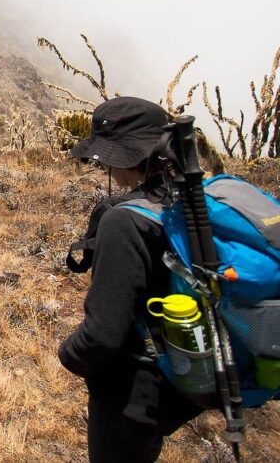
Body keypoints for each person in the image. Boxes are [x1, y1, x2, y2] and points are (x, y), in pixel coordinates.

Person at [60, 97, 202, 462]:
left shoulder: (124, 221)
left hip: (129, 393)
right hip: (176, 380)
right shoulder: (189, 201)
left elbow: (103, 333)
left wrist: (68, 354)